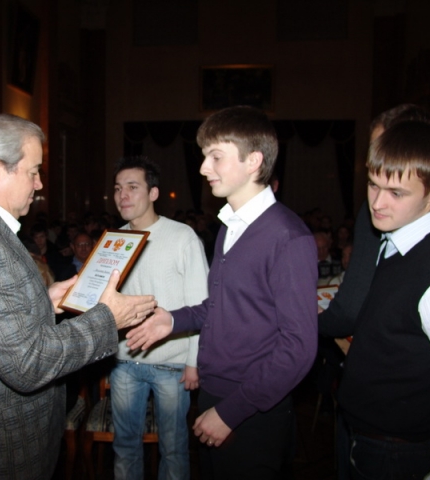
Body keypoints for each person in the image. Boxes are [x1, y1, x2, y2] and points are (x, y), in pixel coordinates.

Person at [0, 113, 156, 480]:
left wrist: (44, 299)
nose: (39, 184)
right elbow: (28, 364)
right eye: (33, 171)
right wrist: (108, 318)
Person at [127, 106, 318, 479]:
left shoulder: (288, 236)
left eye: (215, 156)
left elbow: (298, 348)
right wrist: (173, 320)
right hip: (216, 391)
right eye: (204, 156)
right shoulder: (231, 226)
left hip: (252, 404)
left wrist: (232, 412)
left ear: (253, 161)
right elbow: (220, 305)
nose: (203, 168)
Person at [332, 120, 430, 479]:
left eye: (396, 193)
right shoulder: (397, 240)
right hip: (373, 439)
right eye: (372, 185)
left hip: (401, 451)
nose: (377, 203)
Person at [111, 156, 209, 480]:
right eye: (118, 189)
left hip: (172, 363)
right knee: (125, 447)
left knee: (174, 449)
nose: (123, 195)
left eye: (132, 187)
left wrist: (194, 361)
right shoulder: (115, 240)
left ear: (153, 193)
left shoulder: (182, 236)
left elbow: (201, 305)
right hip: (124, 360)